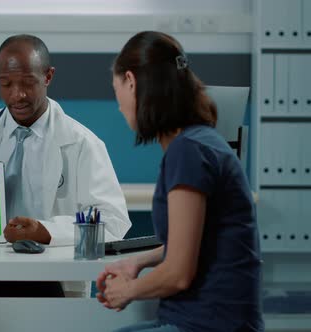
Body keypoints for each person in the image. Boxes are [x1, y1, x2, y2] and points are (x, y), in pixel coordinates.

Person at [0, 34, 131, 298]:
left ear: (48, 76)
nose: (17, 95)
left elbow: (114, 223)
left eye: (28, 83)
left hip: (45, 274)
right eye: (6, 84)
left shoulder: (82, 143)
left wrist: (46, 231)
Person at [96, 31, 263, 332]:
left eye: (116, 89)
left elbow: (178, 274)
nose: (119, 106)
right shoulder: (200, 142)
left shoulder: (187, 152)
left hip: (207, 324)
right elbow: (198, 241)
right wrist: (138, 262)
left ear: (131, 82)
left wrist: (128, 290)